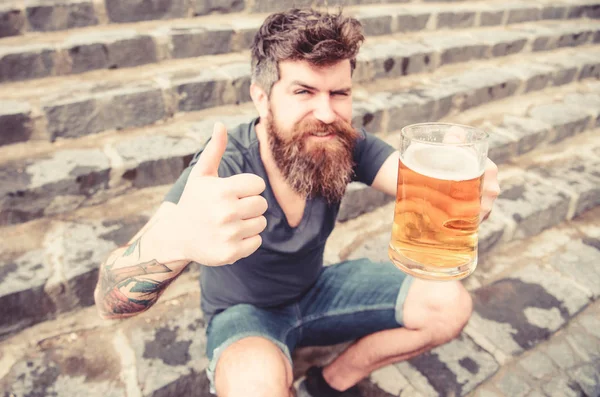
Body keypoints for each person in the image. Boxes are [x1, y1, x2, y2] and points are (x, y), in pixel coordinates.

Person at [94, 8, 500, 397]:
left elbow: (413, 182)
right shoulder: (226, 164)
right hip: (245, 312)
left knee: (449, 305)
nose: (325, 112)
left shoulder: (342, 142)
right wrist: (176, 240)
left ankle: (332, 382)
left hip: (318, 290)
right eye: (303, 91)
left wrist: (458, 183)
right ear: (261, 97)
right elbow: (109, 300)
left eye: (339, 93)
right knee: (257, 387)